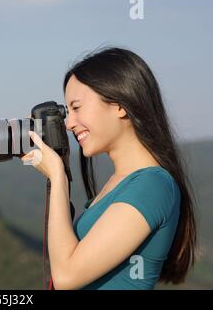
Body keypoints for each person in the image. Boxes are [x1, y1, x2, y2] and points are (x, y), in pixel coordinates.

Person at [21, 47, 197, 290]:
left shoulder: (152, 186)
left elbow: (66, 276)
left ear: (119, 105)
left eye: (77, 107)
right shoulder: (121, 182)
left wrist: (57, 177)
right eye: (67, 111)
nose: (69, 124)